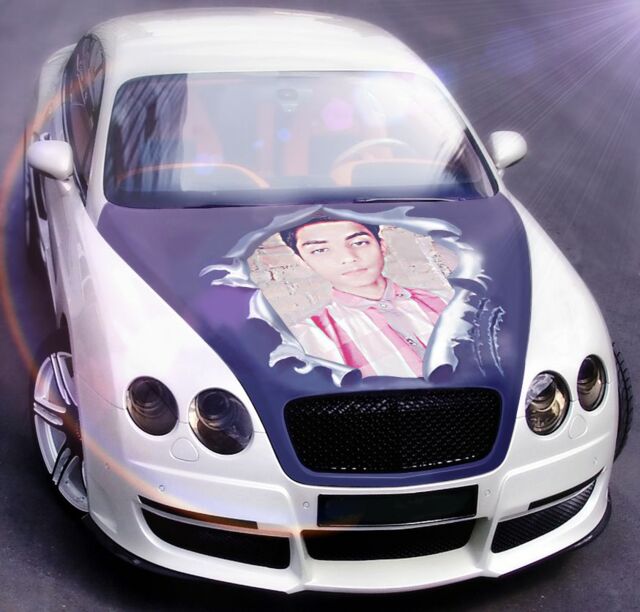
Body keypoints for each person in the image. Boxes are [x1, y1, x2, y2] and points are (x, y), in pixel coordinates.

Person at [279, 217, 448, 378]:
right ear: (303, 261)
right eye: (320, 250)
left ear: (382, 245)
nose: (348, 258)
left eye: (359, 243)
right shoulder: (305, 340)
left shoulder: (449, 301)